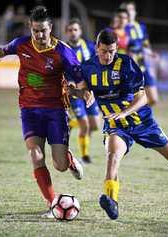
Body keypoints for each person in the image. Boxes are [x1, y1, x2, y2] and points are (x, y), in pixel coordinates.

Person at [0, 6, 91, 218]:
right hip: (29, 110)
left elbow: (78, 78)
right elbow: (0, 51)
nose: (39, 35)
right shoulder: (21, 44)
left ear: (51, 29)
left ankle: (69, 160)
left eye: (43, 31)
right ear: (30, 27)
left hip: (56, 111)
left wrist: (83, 92)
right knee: (35, 155)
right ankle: (52, 203)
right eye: (35, 30)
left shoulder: (63, 52)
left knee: (60, 166)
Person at [73, 29, 168, 220]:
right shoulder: (87, 68)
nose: (108, 55)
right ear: (97, 48)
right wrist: (81, 94)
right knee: (113, 157)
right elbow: (79, 91)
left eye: (112, 51)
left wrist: (124, 112)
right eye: (104, 51)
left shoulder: (126, 64)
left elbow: (143, 98)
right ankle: (111, 200)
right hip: (116, 126)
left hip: (143, 122)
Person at [65, 18, 100, 164]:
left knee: (95, 126)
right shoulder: (63, 50)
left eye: (75, 30)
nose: (73, 33)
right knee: (85, 124)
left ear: (80, 31)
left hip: (89, 91)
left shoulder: (90, 47)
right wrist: (69, 82)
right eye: (70, 30)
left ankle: (71, 123)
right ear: (66, 32)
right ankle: (85, 156)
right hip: (74, 93)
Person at [120, 1, 159, 106]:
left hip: (142, 65)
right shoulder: (121, 29)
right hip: (129, 68)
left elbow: (145, 44)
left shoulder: (140, 27)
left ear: (135, 12)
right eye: (126, 10)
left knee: (154, 98)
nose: (129, 12)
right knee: (131, 99)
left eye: (131, 9)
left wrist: (151, 53)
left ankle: (140, 112)